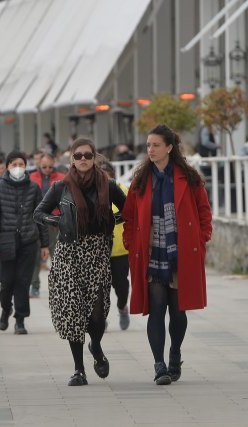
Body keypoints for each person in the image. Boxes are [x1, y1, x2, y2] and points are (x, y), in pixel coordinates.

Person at [122, 124, 212, 386]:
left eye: (156, 145)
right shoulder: (140, 181)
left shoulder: (190, 178)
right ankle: (159, 365)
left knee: (178, 311)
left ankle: (175, 354)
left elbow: (204, 213)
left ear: (169, 147)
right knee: (157, 309)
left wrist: (200, 240)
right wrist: (132, 245)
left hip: (182, 253)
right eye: (148, 145)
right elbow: (129, 217)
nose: (150, 150)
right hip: (151, 253)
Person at [34, 138, 126, 386]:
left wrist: (113, 220)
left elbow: (130, 209)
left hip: (97, 253)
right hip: (68, 254)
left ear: (94, 158)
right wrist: (58, 221)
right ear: (72, 159)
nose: (83, 159)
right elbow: (38, 213)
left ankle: (96, 346)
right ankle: (79, 370)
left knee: (96, 315)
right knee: (73, 311)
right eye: (78, 156)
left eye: (87, 155)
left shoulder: (108, 184)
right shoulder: (60, 187)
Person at [0, 151, 49, 335]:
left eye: (21, 164)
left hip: (28, 242)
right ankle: (6, 309)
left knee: (23, 282)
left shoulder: (33, 188)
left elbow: (40, 217)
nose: (18, 168)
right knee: (6, 283)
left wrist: (44, 244)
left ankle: (20, 320)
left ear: (26, 166)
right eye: (14, 164)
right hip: (6, 241)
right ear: (7, 167)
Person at [29, 152, 65, 298]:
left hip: (53, 221)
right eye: (44, 166)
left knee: (56, 255)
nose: (47, 169)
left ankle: (59, 286)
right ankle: (34, 286)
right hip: (35, 221)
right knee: (35, 255)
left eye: (50, 167)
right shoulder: (31, 177)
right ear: (39, 164)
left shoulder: (61, 178)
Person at [100, 160, 131, 330]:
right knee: (100, 287)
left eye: (107, 177)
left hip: (120, 248)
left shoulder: (123, 191)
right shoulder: (91, 192)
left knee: (121, 285)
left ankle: (122, 306)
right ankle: (100, 316)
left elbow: (131, 215)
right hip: (99, 249)